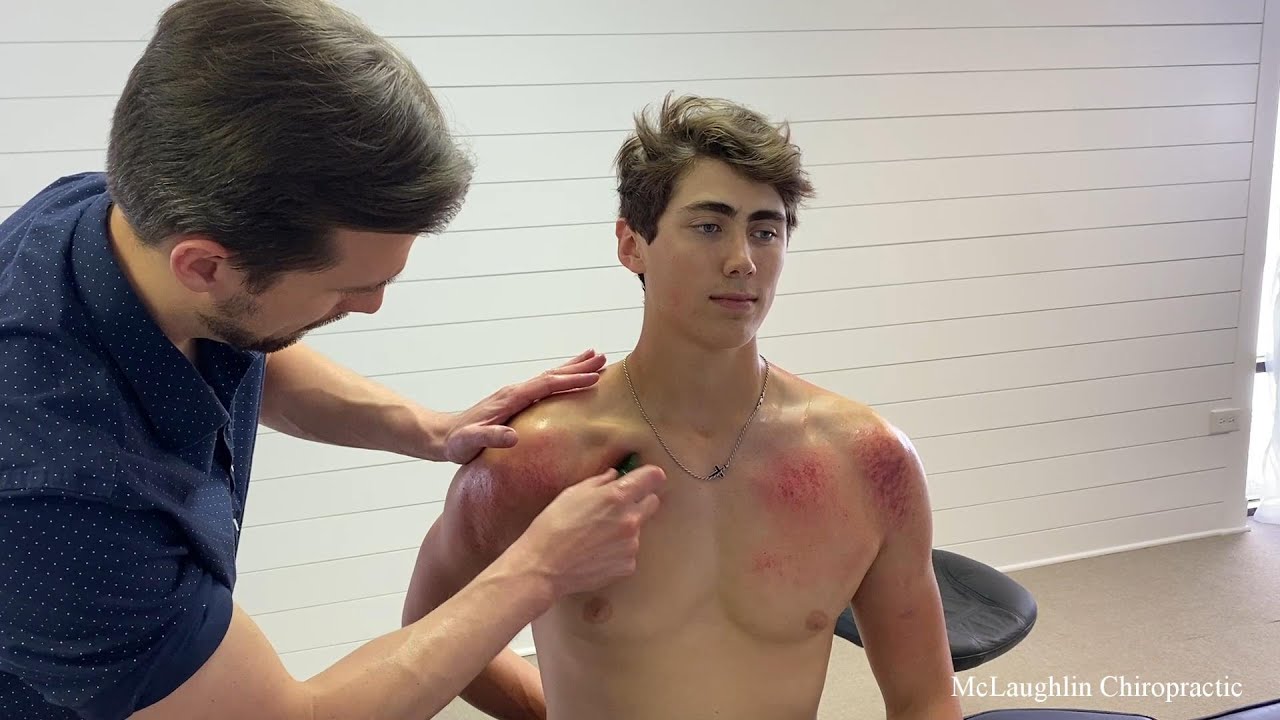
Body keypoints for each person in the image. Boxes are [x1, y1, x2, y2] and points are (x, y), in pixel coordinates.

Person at [0, 1, 667, 719]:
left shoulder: (131, 219)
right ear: (205, 266)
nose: (372, 306)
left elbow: (245, 346)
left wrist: (429, 429)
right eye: (349, 288)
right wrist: (539, 571)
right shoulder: (62, 504)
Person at [401, 93, 965, 720]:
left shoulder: (868, 461)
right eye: (709, 226)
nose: (742, 261)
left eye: (765, 231)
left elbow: (925, 696)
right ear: (631, 245)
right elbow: (425, 632)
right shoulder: (533, 457)